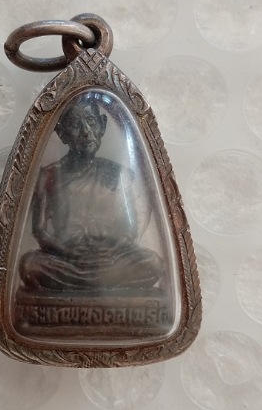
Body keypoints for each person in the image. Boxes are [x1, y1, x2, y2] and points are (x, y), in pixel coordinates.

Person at [19, 98, 163, 291]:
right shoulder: (50, 176)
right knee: (29, 264)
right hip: (68, 260)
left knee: (153, 263)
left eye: (91, 121)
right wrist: (69, 253)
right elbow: (40, 231)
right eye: (75, 125)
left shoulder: (118, 174)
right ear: (62, 133)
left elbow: (130, 229)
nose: (86, 131)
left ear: (102, 125)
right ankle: (102, 285)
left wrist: (111, 251)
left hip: (110, 258)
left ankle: (91, 285)